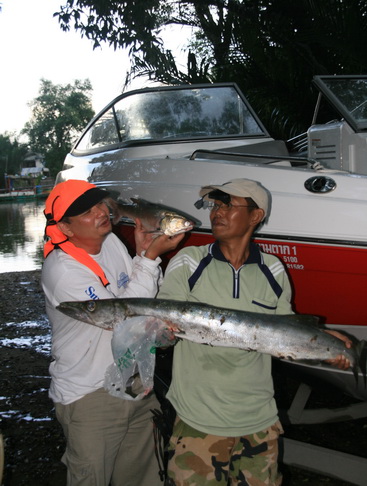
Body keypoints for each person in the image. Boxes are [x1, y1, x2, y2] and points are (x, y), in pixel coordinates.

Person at [158, 178, 352, 486]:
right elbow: (160, 324)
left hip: (259, 421)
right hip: (199, 421)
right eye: (215, 205)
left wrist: (327, 344)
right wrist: (159, 334)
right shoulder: (188, 261)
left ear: (255, 216)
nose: (216, 213)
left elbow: (286, 330)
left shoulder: (273, 269)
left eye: (228, 205)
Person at [41, 179, 185, 486]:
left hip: (134, 383)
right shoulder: (63, 271)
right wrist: (149, 258)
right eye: (87, 212)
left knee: (145, 477)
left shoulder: (110, 243)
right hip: (90, 395)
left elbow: (136, 294)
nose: (100, 213)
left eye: (99, 205)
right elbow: (123, 319)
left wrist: (144, 252)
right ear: (66, 228)